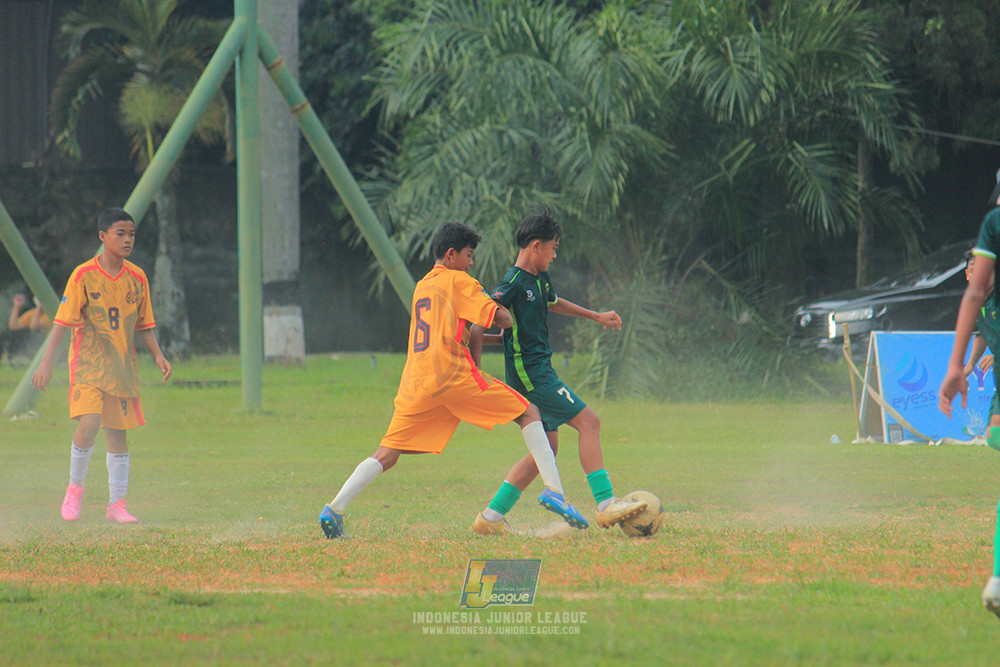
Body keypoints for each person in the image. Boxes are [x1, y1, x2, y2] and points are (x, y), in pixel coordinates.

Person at [318, 221, 588, 539]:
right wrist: (495, 305)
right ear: (451, 254)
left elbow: (453, 331)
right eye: (469, 255)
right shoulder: (459, 280)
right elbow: (502, 319)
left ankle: (334, 510)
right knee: (529, 412)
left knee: (387, 453)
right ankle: (554, 490)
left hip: (417, 382)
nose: (471, 262)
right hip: (451, 376)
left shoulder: (423, 286)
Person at [469, 209, 647, 536]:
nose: (554, 255)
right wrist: (476, 373)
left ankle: (491, 518)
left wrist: (596, 316)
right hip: (532, 376)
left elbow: (553, 303)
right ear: (536, 246)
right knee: (589, 421)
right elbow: (477, 328)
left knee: (546, 450)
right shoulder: (510, 283)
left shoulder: (539, 278)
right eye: (553, 248)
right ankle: (607, 505)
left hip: (538, 370)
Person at [32, 207, 172, 524]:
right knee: (90, 423)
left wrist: (159, 355)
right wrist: (46, 363)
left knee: (118, 435)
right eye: (120, 233)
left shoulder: (137, 278)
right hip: (87, 366)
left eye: (131, 234)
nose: (127, 240)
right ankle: (74, 490)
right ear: (103, 236)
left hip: (122, 368)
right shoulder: (83, 275)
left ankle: (116, 504)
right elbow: (61, 323)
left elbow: (144, 325)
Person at [939, 173, 1000, 618]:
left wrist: (954, 367)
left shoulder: (994, 223)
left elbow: (973, 295)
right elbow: (979, 303)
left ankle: (999, 578)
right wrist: (970, 359)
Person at [4, 292, 50, 363]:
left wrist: (39, 310)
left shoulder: (50, 313)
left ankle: (30, 357)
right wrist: (17, 306)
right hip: (33, 344)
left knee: (36, 334)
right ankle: (16, 356)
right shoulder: (31, 313)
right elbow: (13, 326)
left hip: (45, 342)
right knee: (17, 333)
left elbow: (34, 327)